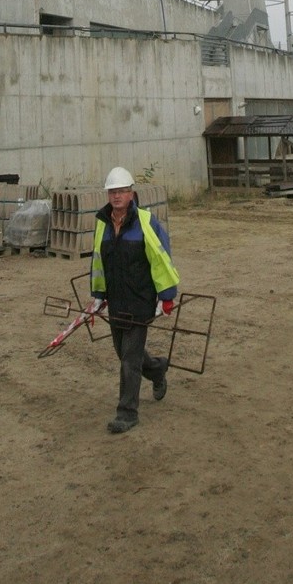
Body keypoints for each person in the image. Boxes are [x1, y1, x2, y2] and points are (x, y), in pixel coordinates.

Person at [90, 167, 179, 434]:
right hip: (116, 298)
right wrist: (97, 295)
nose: (117, 196)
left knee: (129, 358)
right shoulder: (103, 224)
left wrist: (166, 296)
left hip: (140, 298)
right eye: (112, 191)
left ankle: (127, 413)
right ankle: (156, 369)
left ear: (132, 194)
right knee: (124, 352)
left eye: (122, 191)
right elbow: (98, 262)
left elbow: (161, 258)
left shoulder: (146, 222)